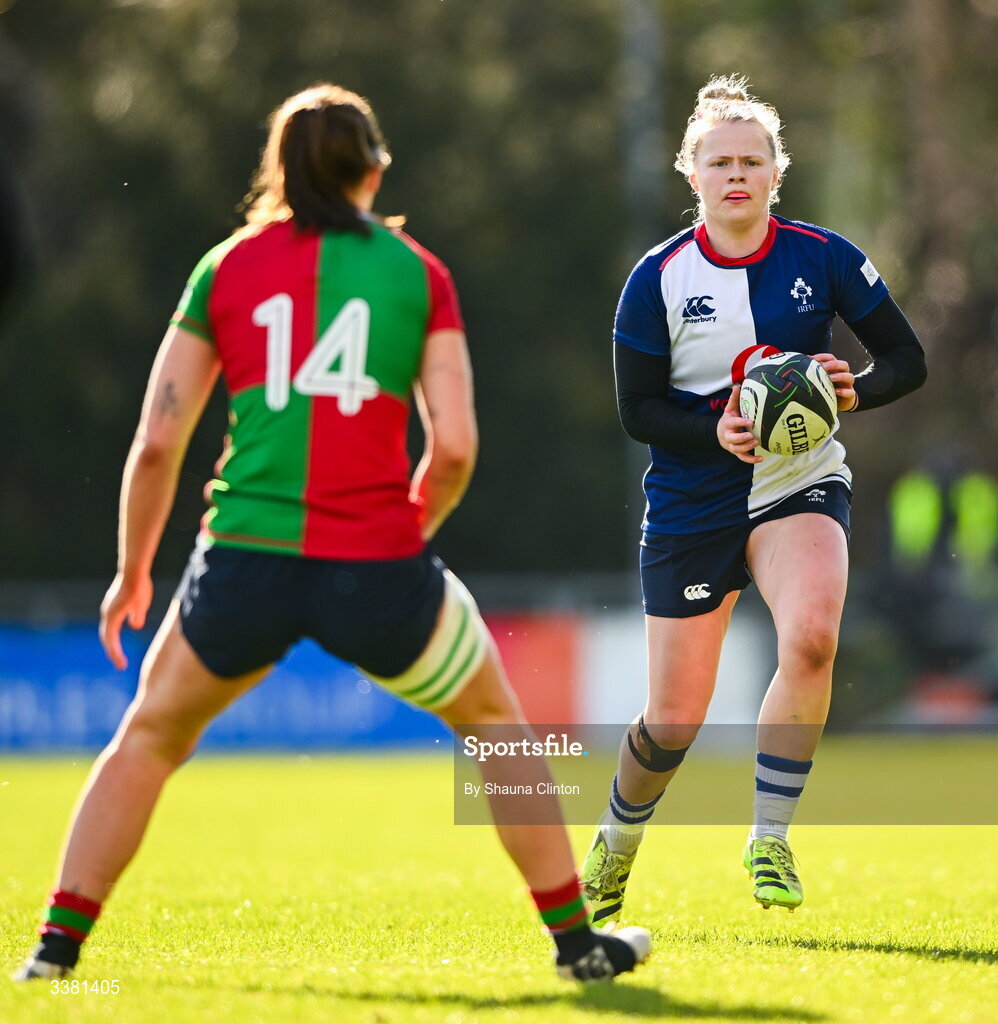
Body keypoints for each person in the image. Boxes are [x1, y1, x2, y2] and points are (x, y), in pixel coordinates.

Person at [14, 84, 649, 984]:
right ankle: (578, 945)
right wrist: (412, 526)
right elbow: (458, 446)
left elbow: (159, 440)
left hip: (244, 564)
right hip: (379, 568)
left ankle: (54, 952)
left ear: (277, 171)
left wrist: (131, 570)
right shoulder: (416, 273)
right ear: (376, 169)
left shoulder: (224, 269)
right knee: (498, 729)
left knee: (149, 737)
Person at [581, 74, 927, 924]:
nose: (736, 174)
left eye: (752, 159)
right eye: (718, 161)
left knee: (811, 639)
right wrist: (717, 435)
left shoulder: (826, 257)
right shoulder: (655, 279)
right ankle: (616, 843)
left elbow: (906, 361)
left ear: (778, 171)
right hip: (693, 498)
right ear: (690, 173)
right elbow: (637, 411)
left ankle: (768, 835)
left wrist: (852, 394)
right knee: (672, 720)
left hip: (796, 482)